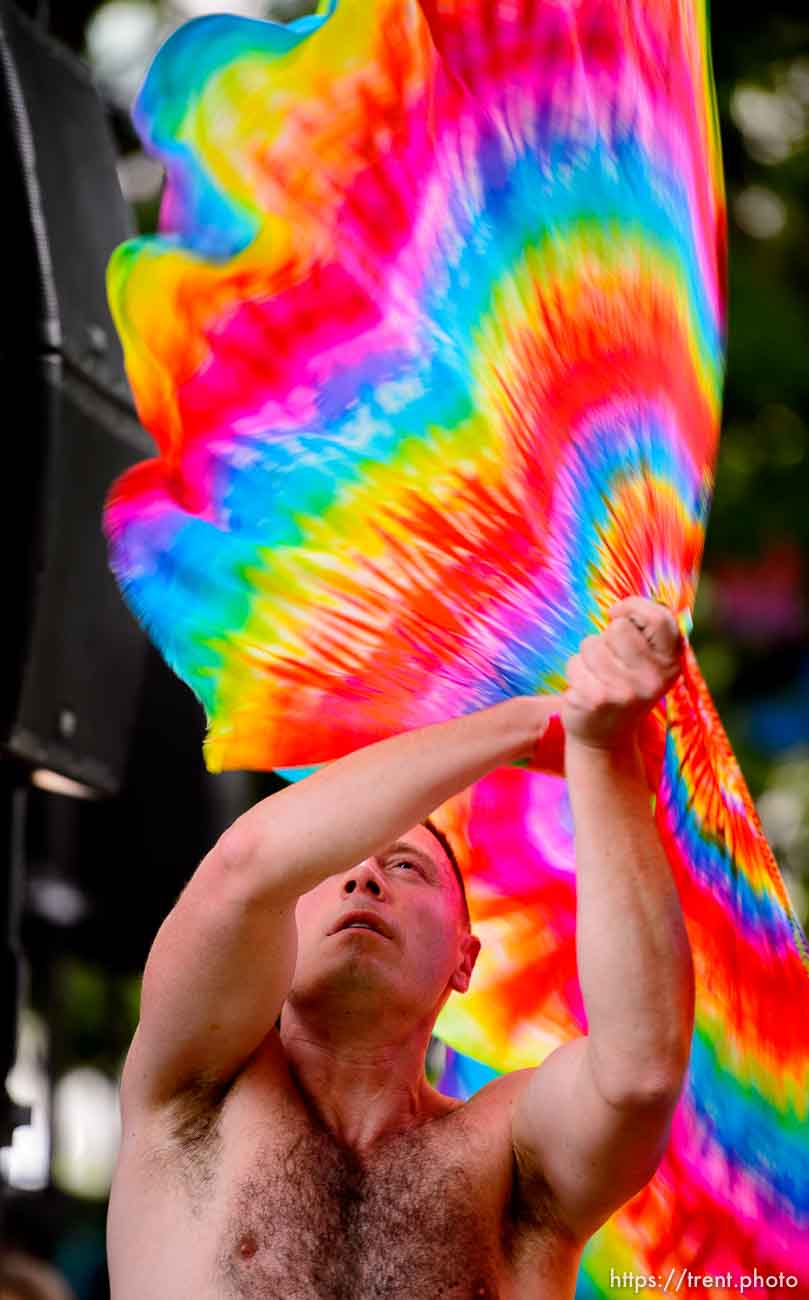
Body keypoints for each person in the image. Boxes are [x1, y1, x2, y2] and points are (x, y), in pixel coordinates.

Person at [107, 596, 694, 1299]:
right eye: (334, 866)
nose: (361, 875)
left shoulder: (512, 1151)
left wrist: (602, 752)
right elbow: (248, 869)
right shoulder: (195, 1084)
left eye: (407, 866)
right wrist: (539, 719)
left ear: (463, 958)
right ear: (282, 928)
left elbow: (638, 1076)